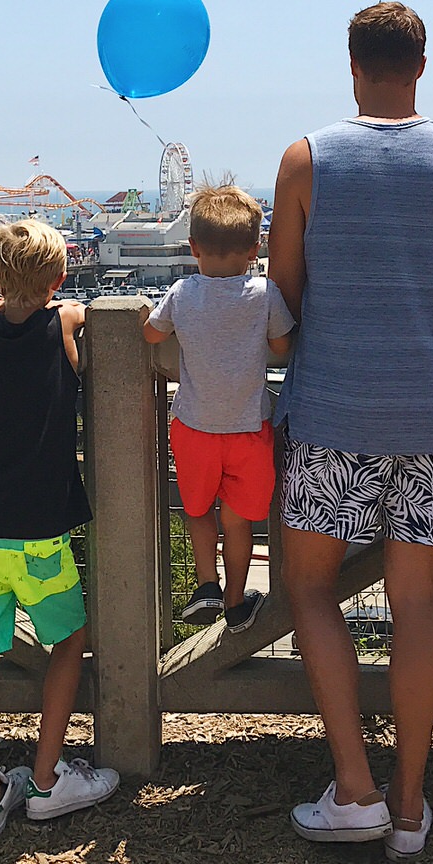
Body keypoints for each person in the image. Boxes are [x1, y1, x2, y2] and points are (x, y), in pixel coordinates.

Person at [268, 2, 433, 855]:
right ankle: (410, 808)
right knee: (417, 603)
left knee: (309, 588)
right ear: (421, 66)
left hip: (334, 411)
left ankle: (355, 787)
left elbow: (283, 296)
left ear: (352, 65)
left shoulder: (306, 160)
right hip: (431, 419)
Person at [0, 219, 118, 841]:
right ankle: (47, 780)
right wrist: (60, 306)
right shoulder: (63, 324)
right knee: (68, 643)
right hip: (42, 530)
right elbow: (73, 313)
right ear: (61, 277)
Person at [142, 183, 297, 632]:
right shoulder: (264, 293)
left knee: (197, 510)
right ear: (254, 249)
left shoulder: (181, 292)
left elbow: (152, 333)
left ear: (194, 248)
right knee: (239, 521)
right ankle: (235, 603)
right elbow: (282, 344)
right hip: (249, 430)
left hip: (194, 427)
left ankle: (206, 584)